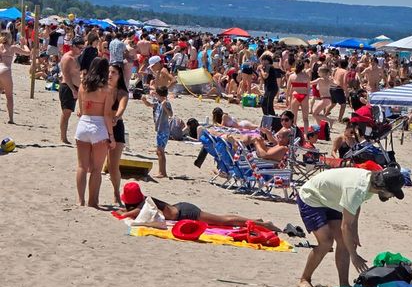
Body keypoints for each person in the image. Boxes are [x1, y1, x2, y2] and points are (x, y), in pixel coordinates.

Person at [297, 165, 405, 287]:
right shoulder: (357, 188)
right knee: (326, 242)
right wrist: (354, 257)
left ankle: (344, 284)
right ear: (383, 188)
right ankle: (305, 279)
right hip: (312, 197)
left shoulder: (370, 183)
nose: (392, 196)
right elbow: (345, 226)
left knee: (344, 241)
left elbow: (356, 206)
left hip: (332, 200)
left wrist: (355, 232)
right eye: (392, 193)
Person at [118, 181, 280, 231]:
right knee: (222, 219)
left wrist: (120, 212)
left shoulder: (143, 205)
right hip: (181, 208)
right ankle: (255, 220)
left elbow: (126, 215)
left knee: (223, 221)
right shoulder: (145, 201)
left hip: (186, 212)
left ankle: (263, 224)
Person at [75, 57, 115, 207]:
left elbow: (80, 110)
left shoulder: (82, 86)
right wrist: (111, 136)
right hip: (98, 127)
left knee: (81, 166)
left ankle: (80, 200)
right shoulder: (107, 89)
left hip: (83, 124)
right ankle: (93, 201)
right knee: (97, 169)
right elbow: (107, 115)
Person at [107, 63, 129, 203]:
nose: (110, 75)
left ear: (119, 75)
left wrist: (117, 117)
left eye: (113, 72)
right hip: (102, 126)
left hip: (116, 126)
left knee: (113, 165)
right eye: (108, 72)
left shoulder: (122, 92)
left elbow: (121, 107)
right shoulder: (102, 89)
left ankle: (116, 192)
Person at [142, 85, 173, 178]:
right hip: (160, 130)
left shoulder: (166, 103)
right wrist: (144, 101)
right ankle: (161, 171)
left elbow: (171, 114)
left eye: (157, 94)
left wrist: (165, 107)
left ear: (161, 95)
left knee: (160, 151)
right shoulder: (158, 102)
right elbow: (150, 105)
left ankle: (162, 172)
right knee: (159, 151)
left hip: (164, 130)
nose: (155, 95)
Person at [0, 31, 30, 124]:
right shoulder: (12, 48)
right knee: (9, 96)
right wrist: (24, 44)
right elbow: (27, 53)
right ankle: (11, 119)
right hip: (6, 70)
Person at [59, 36, 84, 143]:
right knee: (66, 113)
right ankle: (63, 137)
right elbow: (66, 75)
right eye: (79, 47)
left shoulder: (77, 57)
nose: (81, 50)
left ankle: (64, 137)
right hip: (67, 87)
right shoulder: (68, 58)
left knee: (71, 112)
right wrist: (73, 89)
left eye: (82, 48)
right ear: (73, 46)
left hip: (75, 87)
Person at [287, 60, 311, 140]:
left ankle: (293, 134)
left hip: (295, 95)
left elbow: (288, 89)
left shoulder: (292, 76)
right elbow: (308, 89)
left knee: (294, 118)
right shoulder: (306, 76)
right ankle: (305, 135)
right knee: (305, 118)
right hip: (304, 96)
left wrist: (287, 99)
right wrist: (307, 97)